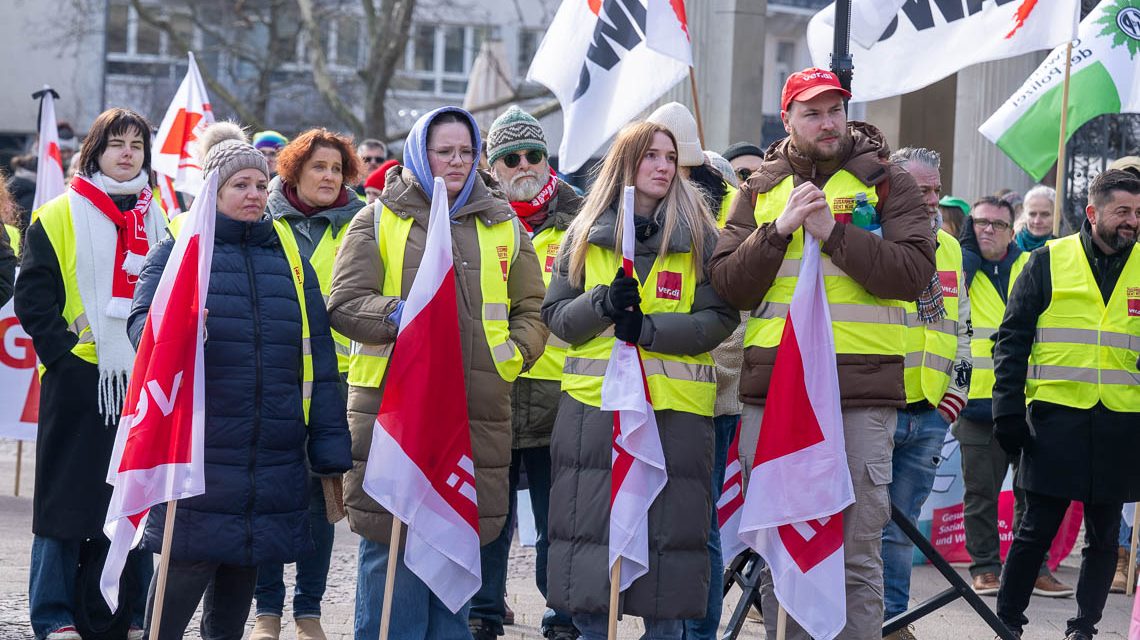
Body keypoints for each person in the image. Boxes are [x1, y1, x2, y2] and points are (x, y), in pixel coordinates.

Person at [708, 67, 937, 639]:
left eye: (835, 109)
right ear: (787, 120)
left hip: (861, 395)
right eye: (812, 113)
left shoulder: (888, 182)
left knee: (858, 556)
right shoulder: (757, 188)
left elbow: (914, 272)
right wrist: (778, 231)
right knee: (782, 553)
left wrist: (833, 233)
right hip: (777, 394)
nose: (827, 121)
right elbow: (729, 286)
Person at [327, 106, 547, 640]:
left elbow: (532, 310)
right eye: (444, 151)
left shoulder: (503, 223)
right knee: (390, 548)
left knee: (454, 546)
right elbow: (344, 303)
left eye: (466, 152)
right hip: (395, 416)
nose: (456, 161)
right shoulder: (378, 218)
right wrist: (402, 315)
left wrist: (508, 359)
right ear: (420, 154)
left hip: (474, 413)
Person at [129, 122, 351, 640]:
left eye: (259, 184)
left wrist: (328, 446)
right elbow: (143, 330)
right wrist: (183, 331)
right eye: (240, 186)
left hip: (271, 454)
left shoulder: (290, 256)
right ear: (214, 191)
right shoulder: (178, 251)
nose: (254, 195)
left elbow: (318, 355)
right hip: (198, 455)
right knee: (177, 589)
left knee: (236, 595)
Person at [542, 120, 738, 640]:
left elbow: (719, 320)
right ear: (625, 164)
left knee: (669, 556)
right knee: (590, 551)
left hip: (674, 413)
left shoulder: (702, 237)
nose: (662, 166)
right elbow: (558, 318)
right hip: (595, 415)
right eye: (650, 155)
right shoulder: (582, 234)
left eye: (670, 157)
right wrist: (602, 303)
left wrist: (648, 329)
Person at [15, 107, 165, 640]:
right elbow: (34, 297)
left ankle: (119, 615)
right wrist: (62, 355)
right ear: (95, 151)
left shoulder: (160, 215)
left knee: (130, 502)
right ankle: (53, 614)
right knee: (64, 503)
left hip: (141, 384)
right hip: (79, 381)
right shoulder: (58, 213)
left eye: (137, 145)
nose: (128, 154)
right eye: (116, 144)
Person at [992, 168, 1140, 640]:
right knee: (1036, 530)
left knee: (1101, 538)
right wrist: (1008, 410)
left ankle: (1085, 629)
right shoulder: (1048, 260)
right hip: (1055, 420)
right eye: (1123, 211)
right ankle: (1008, 621)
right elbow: (1011, 341)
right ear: (1093, 212)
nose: (1132, 221)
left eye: (1138, 213)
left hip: (1121, 423)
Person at [464, 105, 582, 640]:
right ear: (494, 165)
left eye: (534, 153)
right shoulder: (475, 219)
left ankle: (561, 615)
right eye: (511, 157)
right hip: (493, 392)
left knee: (560, 522)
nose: (525, 164)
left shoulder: (583, 219)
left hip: (562, 396)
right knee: (488, 517)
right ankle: (483, 611)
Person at [252, 127, 365, 640]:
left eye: (337, 169)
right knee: (270, 493)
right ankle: (267, 610)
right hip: (272, 379)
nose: (328, 177)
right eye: (319, 167)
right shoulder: (262, 219)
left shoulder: (364, 223)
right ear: (293, 170)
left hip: (337, 383)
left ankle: (309, 610)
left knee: (325, 497)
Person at [646, 101, 747, 640]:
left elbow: (727, 318)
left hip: (709, 394)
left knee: (697, 524)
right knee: (686, 522)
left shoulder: (718, 217)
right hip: (670, 391)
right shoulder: (660, 209)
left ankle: (696, 629)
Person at [955, 196, 1073, 598]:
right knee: (981, 495)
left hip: (1029, 402)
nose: (988, 230)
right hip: (976, 404)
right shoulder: (959, 268)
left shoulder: (1033, 264)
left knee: (1033, 494)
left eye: (998, 224)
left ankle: (1033, 568)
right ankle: (986, 567)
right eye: (981, 223)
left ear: (1012, 229)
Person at [881, 148, 972, 640]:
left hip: (930, 412)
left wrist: (952, 399)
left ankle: (893, 622)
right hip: (878, 408)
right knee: (864, 526)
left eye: (936, 189)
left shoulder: (951, 248)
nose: (932, 200)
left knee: (904, 529)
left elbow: (962, 330)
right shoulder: (874, 240)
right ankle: (860, 620)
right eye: (922, 190)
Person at [1015, 185, 1055, 252]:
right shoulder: (1009, 245)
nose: (1037, 221)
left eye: (1045, 214)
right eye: (1032, 214)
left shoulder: (1069, 247)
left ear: (1058, 216)